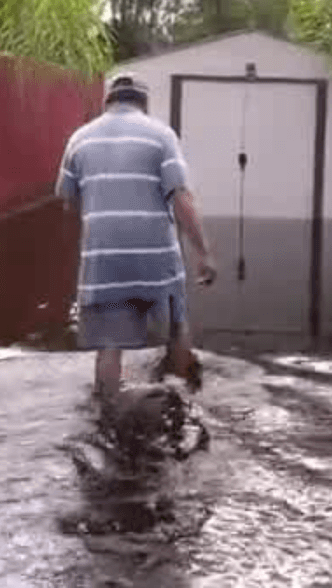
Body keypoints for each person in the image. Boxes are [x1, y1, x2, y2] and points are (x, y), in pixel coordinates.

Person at [54, 72, 217, 417]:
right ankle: (180, 404)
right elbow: (182, 198)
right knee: (176, 329)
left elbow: (68, 202)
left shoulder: (79, 139)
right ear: (143, 103)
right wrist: (203, 253)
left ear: (107, 101)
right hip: (156, 263)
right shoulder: (161, 135)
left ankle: (110, 414)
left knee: (109, 347)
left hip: (103, 264)